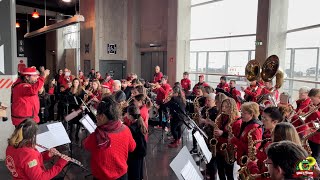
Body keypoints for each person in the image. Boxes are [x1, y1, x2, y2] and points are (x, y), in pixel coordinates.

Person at [83, 96, 136, 180]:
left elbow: (86, 145)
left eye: (97, 115)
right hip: (121, 175)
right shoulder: (126, 129)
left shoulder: (97, 135)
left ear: (103, 116)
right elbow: (132, 147)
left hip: (101, 177)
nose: (96, 118)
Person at [5, 118, 69, 179]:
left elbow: (26, 163)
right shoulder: (28, 153)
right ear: (33, 136)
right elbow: (39, 178)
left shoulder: (11, 145)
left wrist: (47, 155)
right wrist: (60, 165)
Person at [214, 98, 241, 180]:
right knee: (220, 172)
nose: (223, 109)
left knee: (229, 174)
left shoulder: (237, 121)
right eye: (223, 106)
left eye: (226, 107)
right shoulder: (221, 117)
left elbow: (236, 137)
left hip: (229, 150)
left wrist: (223, 133)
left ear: (232, 107)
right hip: (219, 147)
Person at [126, 105, 147, 180]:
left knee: (134, 174)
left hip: (134, 154)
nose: (126, 115)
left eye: (127, 114)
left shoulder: (131, 128)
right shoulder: (139, 123)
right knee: (138, 172)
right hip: (140, 153)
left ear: (130, 116)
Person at [303, 88, 320, 165]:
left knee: (316, 158)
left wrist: (316, 112)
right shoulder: (313, 106)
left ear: (318, 97)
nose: (311, 102)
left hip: (318, 139)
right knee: (310, 156)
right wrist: (308, 112)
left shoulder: (316, 108)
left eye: (313, 99)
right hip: (311, 136)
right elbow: (307, 121)